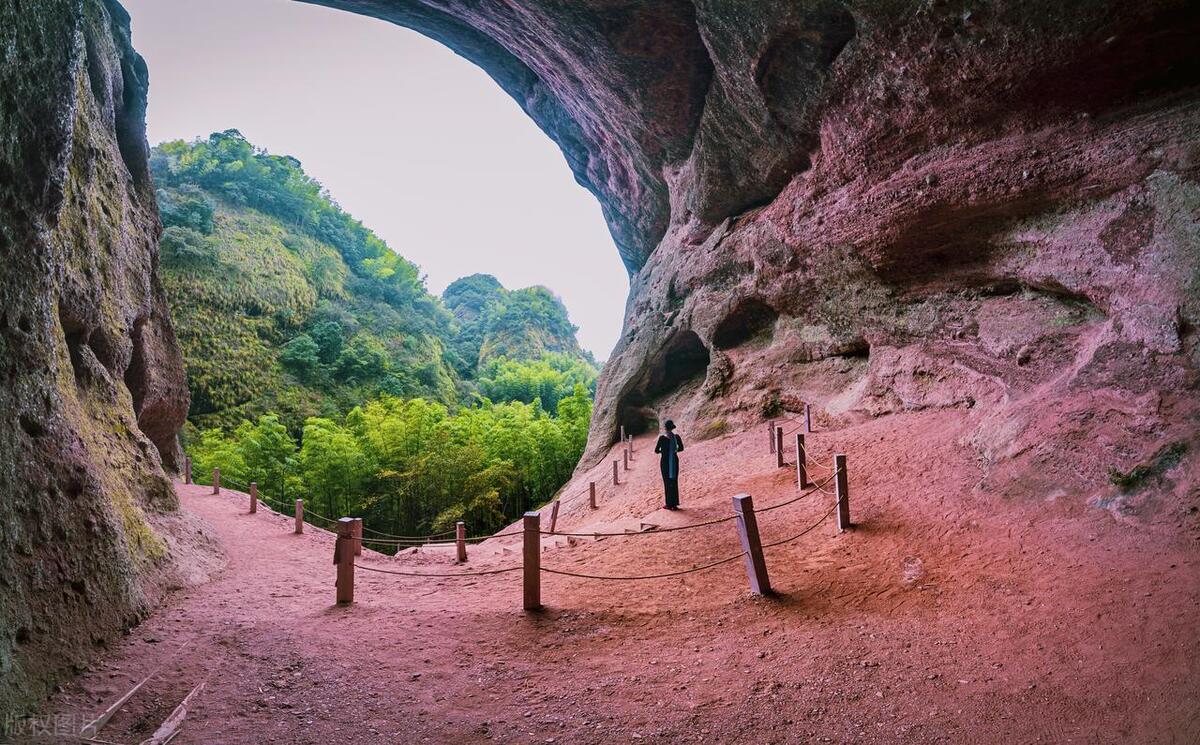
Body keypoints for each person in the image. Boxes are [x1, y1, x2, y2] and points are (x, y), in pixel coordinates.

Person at [654, 420, 684, 510]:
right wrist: (674, 451)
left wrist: (662, 452)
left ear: (665, 428)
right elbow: (681, 448)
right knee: (674, 481)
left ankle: (669, 504)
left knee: (667, 483)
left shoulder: (662, 438)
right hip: (674, 461)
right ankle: (674, 504)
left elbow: (656, 450)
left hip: (664, 462)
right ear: (672, 428)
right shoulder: (676, 437)